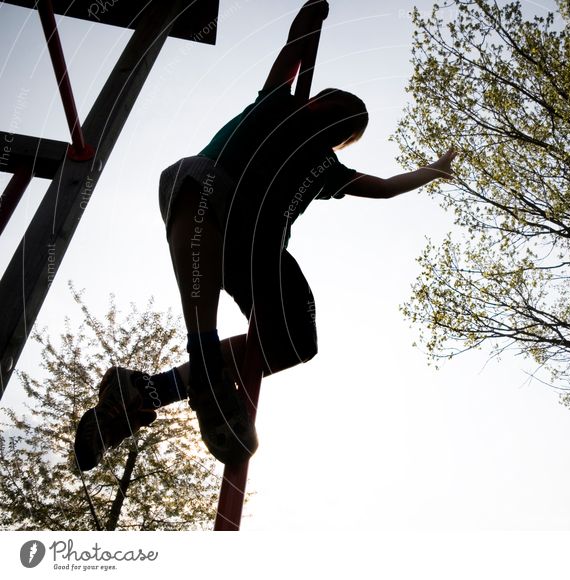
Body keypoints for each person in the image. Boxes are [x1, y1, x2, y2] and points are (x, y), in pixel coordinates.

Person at [73, 0, 456, 470]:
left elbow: (386, 188)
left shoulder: (327, 168)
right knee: (196, 181)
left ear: (339, 140)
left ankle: (152, 389)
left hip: (257, 251)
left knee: (298, 341)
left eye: (347, 125)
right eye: (338, 106)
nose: (339, 119)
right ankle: (205, 361)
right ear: (316, 100)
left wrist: (432, 171)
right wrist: (309, 14)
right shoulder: (278, 102)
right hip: (209, 201)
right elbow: (294, 47)